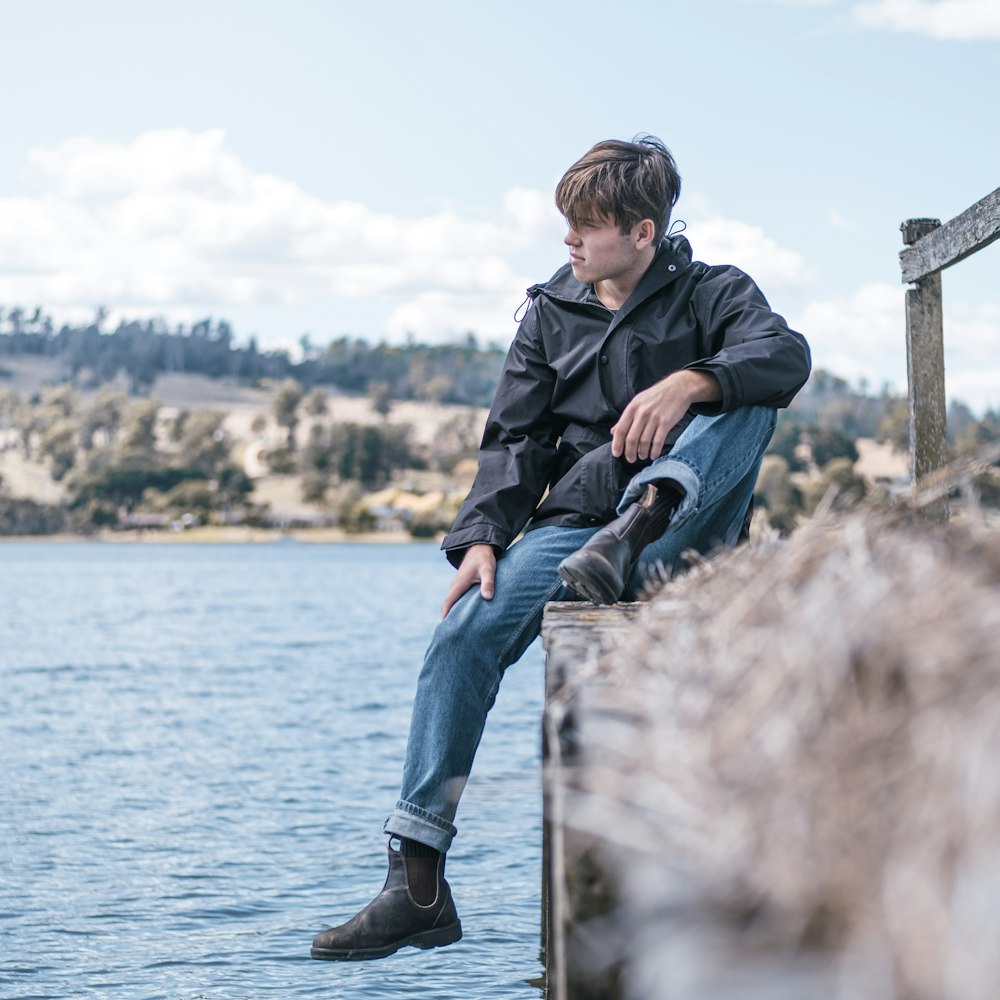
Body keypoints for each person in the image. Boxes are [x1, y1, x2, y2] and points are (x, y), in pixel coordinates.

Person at [311, 135, 811, 961]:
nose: (569, 241)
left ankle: (648, 512)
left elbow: (785, 356)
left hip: (686, 530)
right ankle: (418, 878)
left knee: (749, 395)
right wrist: (478, 539)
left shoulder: (715, 294)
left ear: (643, 233)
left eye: (587, 225)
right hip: (581, 534)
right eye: (566, 225)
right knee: (462, 635)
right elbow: (514, 440)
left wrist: (691, 381)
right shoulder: (549, 311)